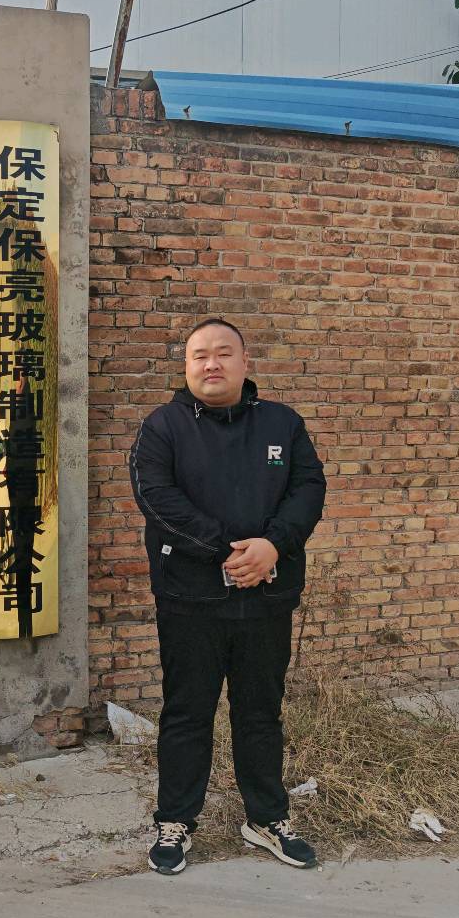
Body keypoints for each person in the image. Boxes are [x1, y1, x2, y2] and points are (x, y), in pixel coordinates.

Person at [129, 317, 326, 875]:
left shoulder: (282, 424)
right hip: (189, 599)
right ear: (186, 366)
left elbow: (308, 489)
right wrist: (228, 550)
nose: (211, 363)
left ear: (244, 362)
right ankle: (175, 821)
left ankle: (266, 818)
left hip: (267, 597)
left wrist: (273, 546)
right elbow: (156, 498)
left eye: (222, 353)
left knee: (260, 712)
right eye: (199, 355)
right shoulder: (162, 427)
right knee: (187, 712)